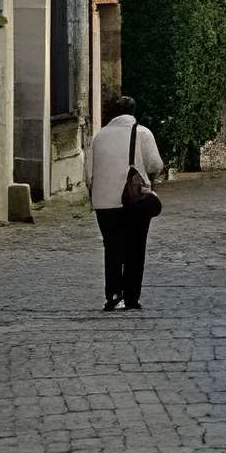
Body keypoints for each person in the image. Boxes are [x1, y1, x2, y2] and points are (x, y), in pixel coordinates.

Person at [87, 95, 164, 310]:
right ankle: (131, 297)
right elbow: (156, 165)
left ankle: (113, 293)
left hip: (104, 203)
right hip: (134, 201)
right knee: (135, 248)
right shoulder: (142, 133)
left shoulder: (99, 136)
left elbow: (88, 173)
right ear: (133, 112)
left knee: (111, 248)